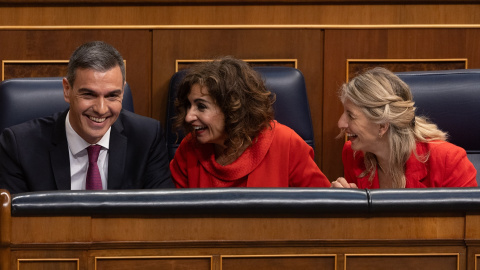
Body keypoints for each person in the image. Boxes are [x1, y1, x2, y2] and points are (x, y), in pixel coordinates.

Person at [0, 41, 174, 193]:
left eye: (112, 96)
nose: (101, 108)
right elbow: (13, 225)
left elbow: (161, 217)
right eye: (89, 95)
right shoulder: (19, 145)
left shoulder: (147, 138)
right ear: (67, 90)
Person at [169, 56, 330, 188]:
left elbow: (322, 210)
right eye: (189, 106)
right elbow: (172, 217)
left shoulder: (286, 143)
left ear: (233, 108)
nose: (189, 117)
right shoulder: (189, 148)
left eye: (201, 106)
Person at [332, 67, 477, 189]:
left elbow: (470, 222)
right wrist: (344, 206)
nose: (340, 123)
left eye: (351, 115)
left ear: (382, 125)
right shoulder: (352, 154)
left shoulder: (449, 161)